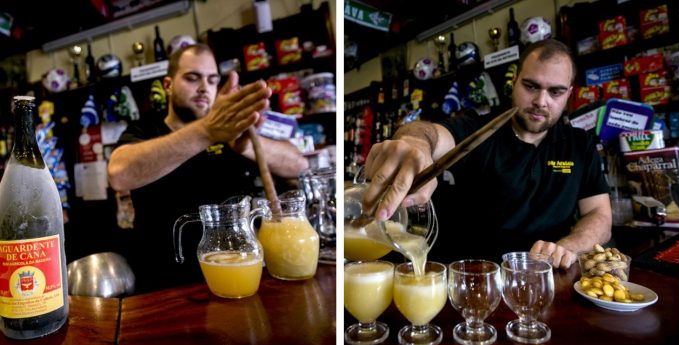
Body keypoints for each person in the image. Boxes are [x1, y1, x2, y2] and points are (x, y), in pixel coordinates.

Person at [362, 39, 612, 269]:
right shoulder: (478, 130)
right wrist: (415, 143)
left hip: (550, 279)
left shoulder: (581, 144)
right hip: (477, 278)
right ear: (514, 80)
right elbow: (428, 132)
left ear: (568, 93)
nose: (541, 101)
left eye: (555, 92)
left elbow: (600, 215)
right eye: (531, 86)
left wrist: (568, 247)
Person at [107, 44, 309, 293]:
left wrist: (243, 145)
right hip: (166, 284)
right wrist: (206, 131)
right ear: (168, 85)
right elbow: (119, 174)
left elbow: (299, 165)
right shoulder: (146, 130)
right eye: (192, 78)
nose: (204, 88)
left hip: (241, 272)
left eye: (212, 80)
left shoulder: (232, 131)